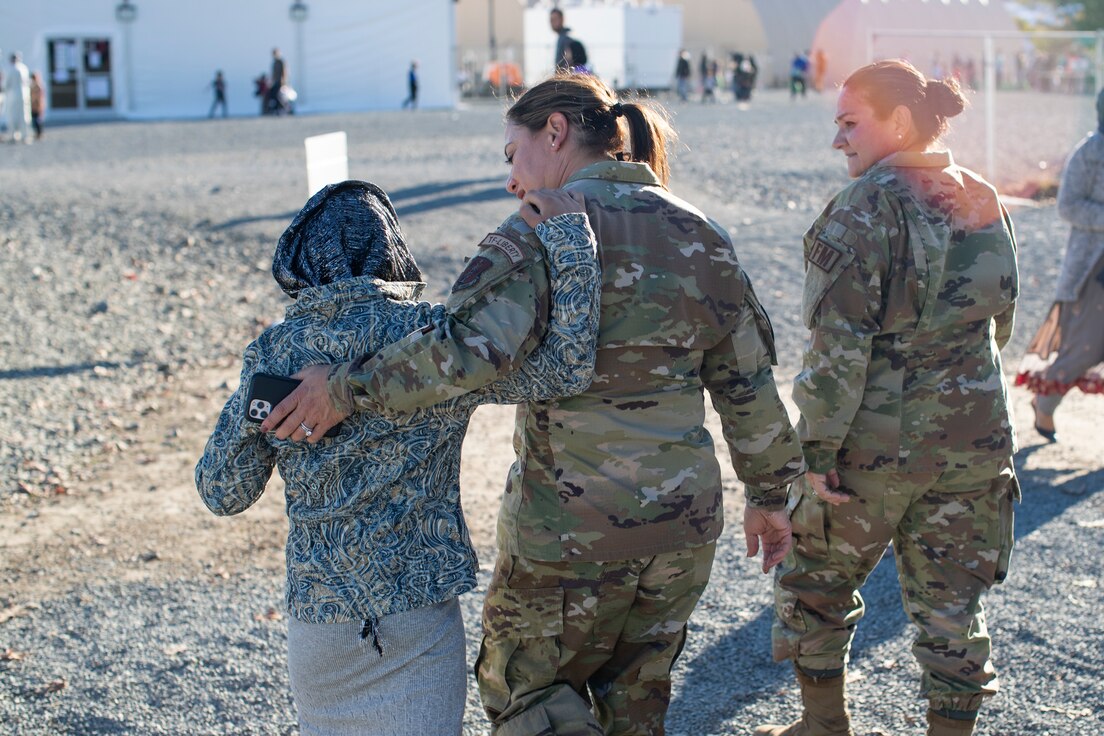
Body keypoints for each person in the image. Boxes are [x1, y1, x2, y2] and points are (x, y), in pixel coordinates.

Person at [261, 71, 804, 735]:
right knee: (638, 706)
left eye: (512, 155)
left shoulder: (537, 232)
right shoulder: (703, 234)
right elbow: (747, 384)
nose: (512, 180)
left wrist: (343, 387)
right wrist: (773, 496)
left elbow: (457, 352)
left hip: (568, 531)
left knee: (527, 695)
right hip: (680, 529)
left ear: (556, 132)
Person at [196, 179, 601, 736]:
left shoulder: (277, 352)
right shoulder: (434, 339)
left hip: (322, 622)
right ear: (392, 250)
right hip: (419, 612)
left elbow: (222, 493)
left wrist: (251, 407)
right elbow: (565, 368)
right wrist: (571, 242)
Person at [757, 59, 1019, 736]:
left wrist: (812, 453)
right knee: (953, 604)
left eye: (850, 124)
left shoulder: (863, 206)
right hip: (975, 438)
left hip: (876, 446)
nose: (838, 140)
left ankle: (823, 726)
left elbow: (837, 351)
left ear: (899, 121)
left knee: (813, 583)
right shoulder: (981, 194)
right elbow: (1001, 324)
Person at [1016, 88, 1104, 440]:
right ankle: (1045, 406)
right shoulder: (1091, 152)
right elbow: (1067, 205)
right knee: (1082, 349)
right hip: (1093, 273)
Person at [4, 52, 30, 143]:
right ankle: (25, 134)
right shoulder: (24, 68)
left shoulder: (11, 69)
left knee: (12, 115)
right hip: (24, 94)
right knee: (24, 115)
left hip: (12, 95)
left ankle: (13, 134)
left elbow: (6, 84)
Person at [267, 48, 288, 114]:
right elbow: (273, 74)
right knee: (273, 95)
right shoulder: (274, 62)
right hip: (275, 82)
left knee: (279, 96)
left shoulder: (281, 62)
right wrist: (271, 82)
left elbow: (284, 72)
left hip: (281, 82)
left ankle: (284, 108)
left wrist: (283, 82)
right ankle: (276, 109)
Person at [29, 71, 44, 140]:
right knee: (34, 120)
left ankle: (39, 133)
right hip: (33, 106)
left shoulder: (38, 86)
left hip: (38, 106)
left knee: (38, 120)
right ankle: (36, 133)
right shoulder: (32, 86)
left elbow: (39, 97)